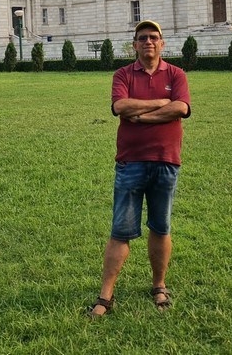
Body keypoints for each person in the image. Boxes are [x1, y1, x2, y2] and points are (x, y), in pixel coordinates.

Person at [88, 20, 191, 318]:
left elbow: (181, 108)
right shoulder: (123, 74)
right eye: (142, 38)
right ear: (134, 44)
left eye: (154, 37)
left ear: (162, 44)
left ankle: (159, 284)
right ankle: (106, 295)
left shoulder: (176, 74)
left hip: (166, 161)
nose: (148, 42)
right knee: (120, 230)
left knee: (161, 226)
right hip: (130, 162)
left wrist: (143, 116)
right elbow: (120, 107)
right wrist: (162, 102)